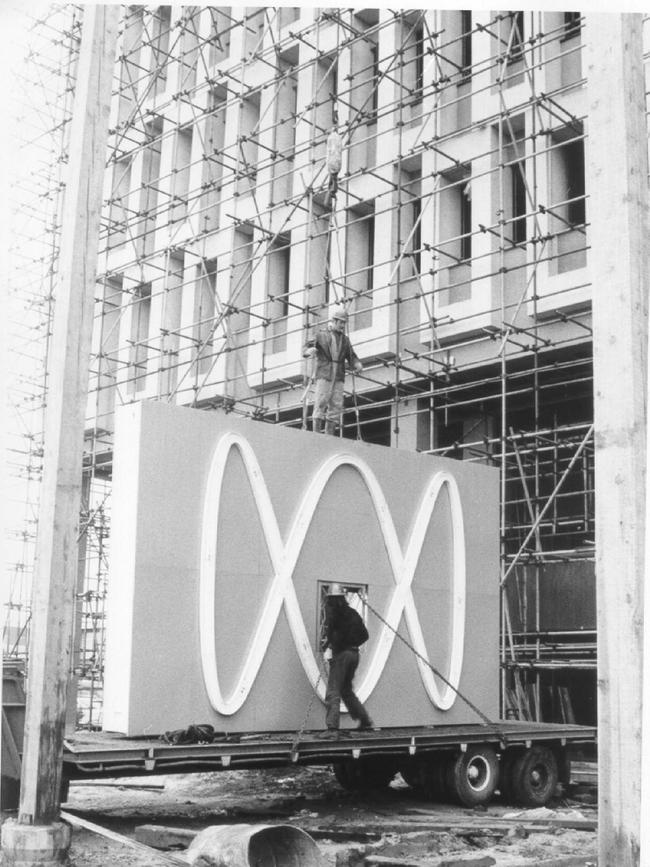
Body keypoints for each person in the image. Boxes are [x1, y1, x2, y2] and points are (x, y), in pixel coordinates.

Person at [317, 583, 375, 739]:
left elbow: (332, 637)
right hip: (354, 654)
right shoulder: (352, 613)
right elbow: (365, 635)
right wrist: (351, 643)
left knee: (333, 690)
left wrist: (333, 647)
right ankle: (365, 721)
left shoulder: (333, 614)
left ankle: (332, 729)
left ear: (331, 600)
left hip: (342, 655)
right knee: (346, 691)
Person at [303, 304, 362, 435]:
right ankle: (316, 433)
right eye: (341, 322)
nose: (342, 325)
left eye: (344, 323)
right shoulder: (321, 335)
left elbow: (351, 355)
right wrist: (309, 351)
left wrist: (357, 363)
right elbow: (306, 347)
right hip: (325, 373)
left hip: (339, 375)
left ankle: (329, 435)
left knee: (336, 405)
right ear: (334, 321)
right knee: (321, 401)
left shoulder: (345, 340)